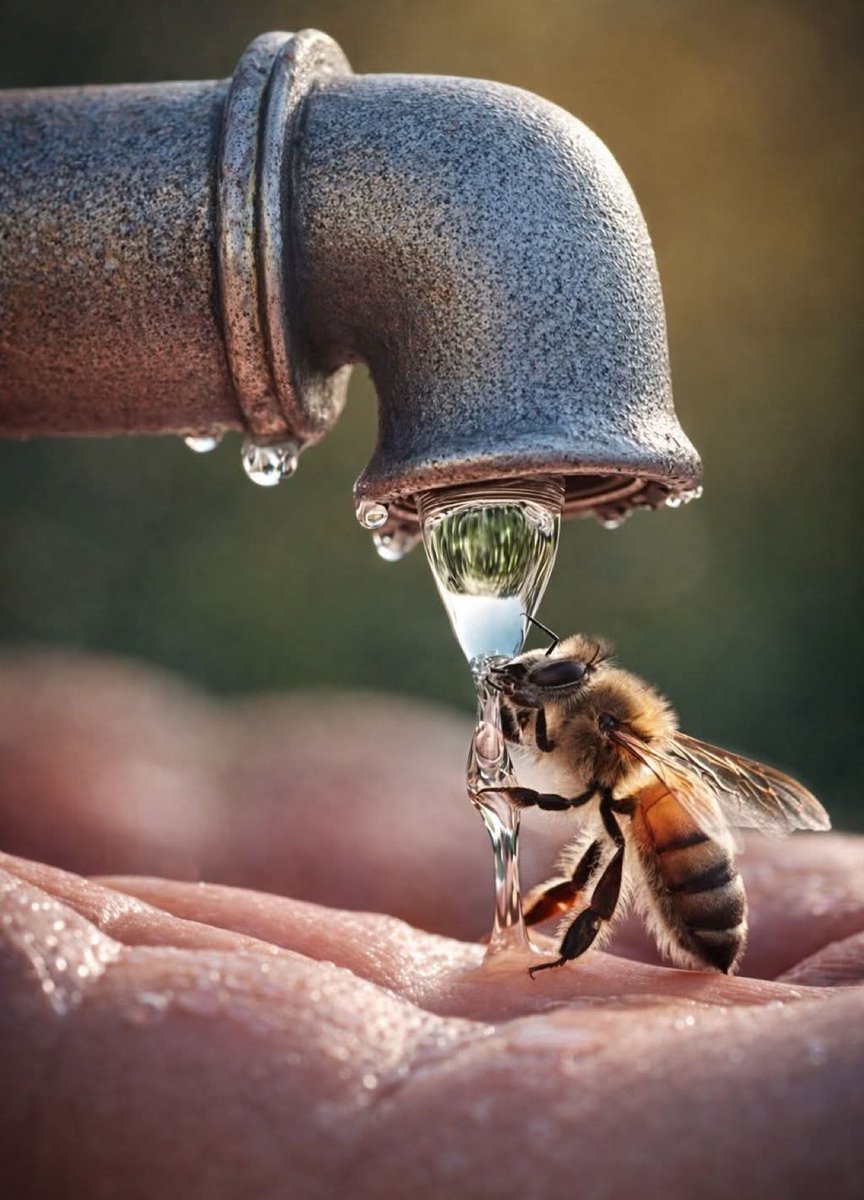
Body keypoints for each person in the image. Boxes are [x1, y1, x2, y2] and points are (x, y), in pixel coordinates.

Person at [1, 653, 862, 1198]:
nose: (533, 697)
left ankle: (560, 948)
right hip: (673, 835)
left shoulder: (604, 737)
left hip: (684, 862)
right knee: (602, 849)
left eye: (547, 688)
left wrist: (509, 790)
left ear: (591, 710)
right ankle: (553, 942)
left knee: (603, 858)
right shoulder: (613, 735)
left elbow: (558, 795)